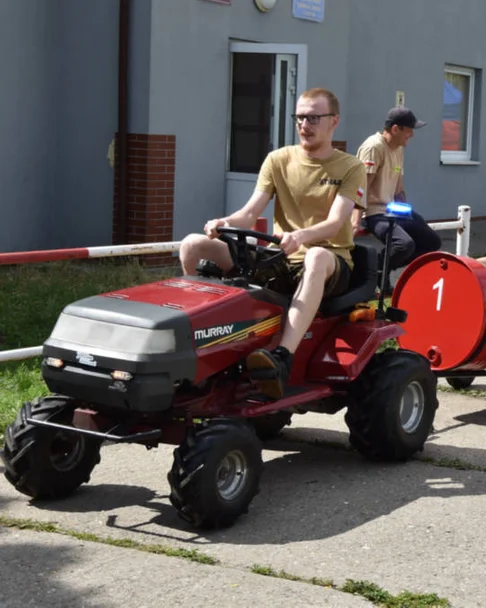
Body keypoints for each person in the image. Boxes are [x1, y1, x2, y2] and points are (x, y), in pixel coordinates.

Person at [179, 87, 365, 398]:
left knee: (316, 256)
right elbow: (249, 213)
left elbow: (335, 224)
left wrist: (300, 236)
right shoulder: (278, 159)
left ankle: (280, 357)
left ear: (334, 121)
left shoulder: (351, 167)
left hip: (331, 261)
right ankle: (192, 336)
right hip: (281, 257)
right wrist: (224, 223)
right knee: (192, 244)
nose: (304, 124)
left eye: (313, 118)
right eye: (300, 117)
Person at [353, 107, 443, 270]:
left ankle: (382, 270)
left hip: (391, 209)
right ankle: (375, 272)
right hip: (373, 213)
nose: (412, 135)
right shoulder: (374, 148)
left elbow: (398, 185)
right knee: (404, 244)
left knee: (432, 242)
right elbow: (361, 187)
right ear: (395, 129)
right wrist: (355, 221)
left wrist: (406, 211)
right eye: (409, 130)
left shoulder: (399, 148)